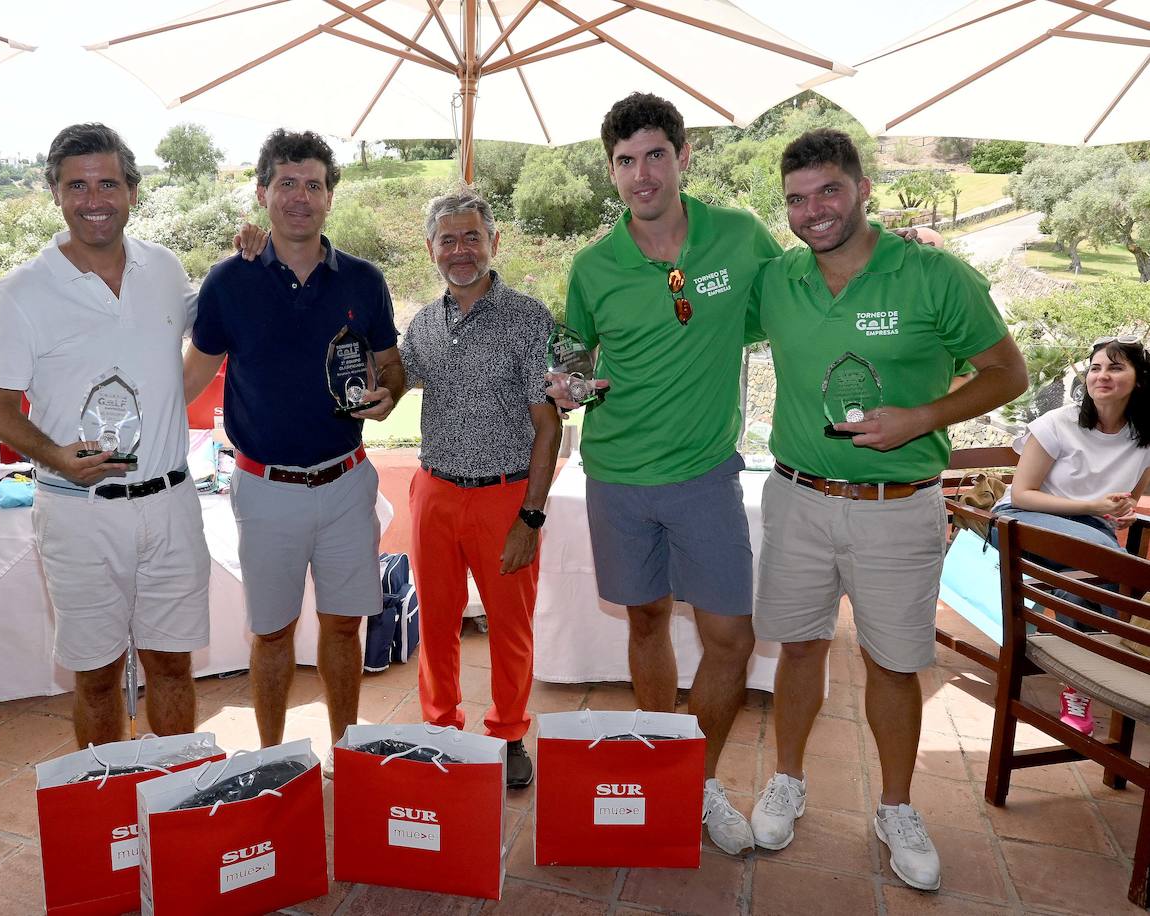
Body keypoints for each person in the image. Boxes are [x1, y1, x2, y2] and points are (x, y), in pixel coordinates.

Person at [745, 129, 1028, 891]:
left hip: (897, 507)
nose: (814, 211)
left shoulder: (934, 275)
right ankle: (789, 780)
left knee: (895, 664)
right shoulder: (776, 280)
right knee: (798, 648)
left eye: (829, 191)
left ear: (863, 187)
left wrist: (922, 417)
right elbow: (694, 326)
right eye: (798, 199)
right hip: (798, 497)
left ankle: (896, 806)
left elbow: (1008, 373)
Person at [552, 92, 783, 855]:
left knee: (731, 637)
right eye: (625, 160)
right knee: (646, 619)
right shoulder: (593, 267)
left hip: (705, 474)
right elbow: (572, 355)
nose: (641, 174)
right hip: (616, 474)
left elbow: (800, 298)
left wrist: (890, 252)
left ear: (684, 157)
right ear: (610, 172)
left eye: (656, 155)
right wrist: (568, 382)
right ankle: (660, 768)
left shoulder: (741, 238)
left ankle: (700, 779)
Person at [0, 123, 210, 747]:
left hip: (170, 506)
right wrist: (56, 456)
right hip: (77, 513)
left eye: (108, 183)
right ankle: (109, 816)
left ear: (132, 191)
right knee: (98, 677)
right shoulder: (22, 291)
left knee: (171, 666)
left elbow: (204, 344)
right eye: (76, 185)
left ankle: (177, 800)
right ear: (55, 193)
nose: (94, 199)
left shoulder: (164, 269)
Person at [183, 129, 405, 757]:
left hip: (345, 481)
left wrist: (389, 394)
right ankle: (276, 759)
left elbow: (391, 367)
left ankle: (346, 752)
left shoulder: (364, 280)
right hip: (265, 486)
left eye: (314, 184)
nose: (300, 197)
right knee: (272, 632)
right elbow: (189, 377)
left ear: (331, 197)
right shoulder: (230, 280)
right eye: (287, 183)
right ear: (262, 193)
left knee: (343, 626)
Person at [401, 189, 561, 789]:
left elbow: (549, 424)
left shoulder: (528, 319)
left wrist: (532, 516)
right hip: (435, 492)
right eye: (449, 240)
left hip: (504, 494)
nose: (461, 251)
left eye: (473, 237)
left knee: (509, 626)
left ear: (494, 242)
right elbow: (392, 382)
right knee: (436, 623)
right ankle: (439, 728)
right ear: (431, 249)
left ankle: (510, 732)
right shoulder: (422, 323)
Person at [993, 336, 1150, 733]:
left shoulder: (1144, 439)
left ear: (1139, 379)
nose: (1102, 376)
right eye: (1096, 367)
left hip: (1088, 537)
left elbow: (1127, 500)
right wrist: (1094, 509)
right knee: (1111, 563)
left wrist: (1120, 513)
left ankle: (1076, 686)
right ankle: (1119, 659)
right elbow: (1024, 493)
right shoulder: (1057, 424)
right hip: (1019, 520)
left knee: (1082, 583)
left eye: (1115, 368)